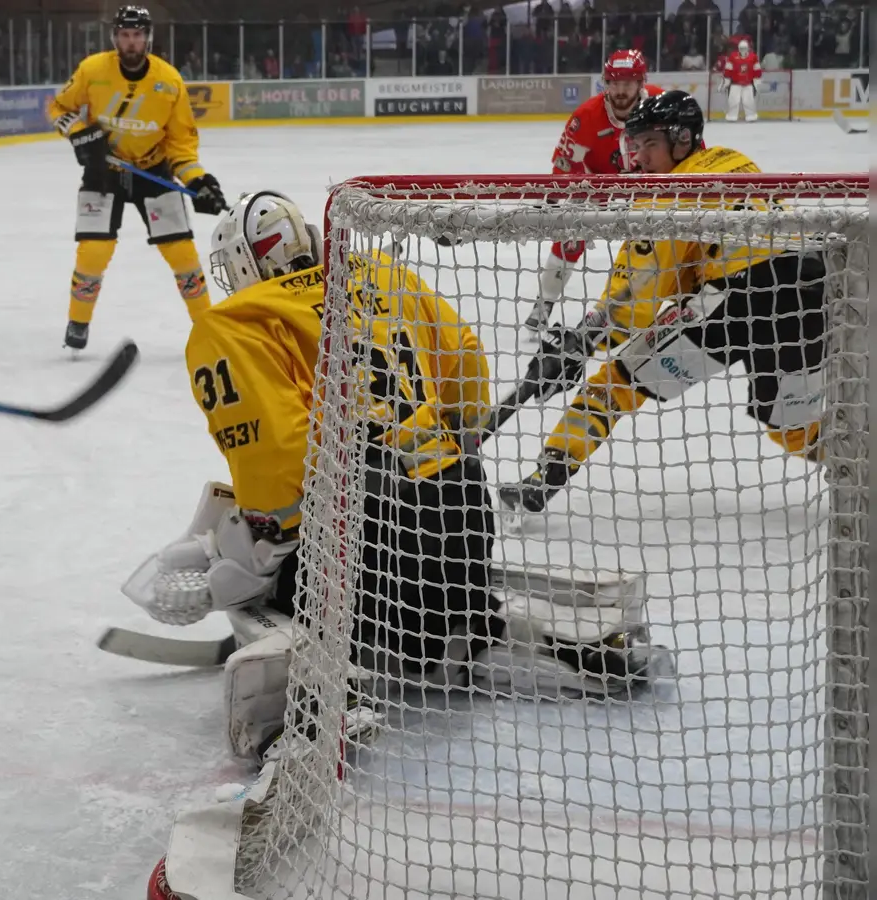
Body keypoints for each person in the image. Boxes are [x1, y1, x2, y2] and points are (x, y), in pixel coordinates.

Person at [122, 193, 667, 802]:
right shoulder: (382, 274)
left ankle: (319, 698)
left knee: (280, 582)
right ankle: (528, 641)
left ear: (250, 262)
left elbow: (278, 449)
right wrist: (450, 436)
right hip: (461, 499)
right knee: (441, 617)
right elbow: (463, 355)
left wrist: (262, 545)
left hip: (367, 521)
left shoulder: (236, 321)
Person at [499, 91, 823, 513]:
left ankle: (546, 476)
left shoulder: (669, 192)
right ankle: (858, 471)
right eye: (633, 144)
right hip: (808, 293)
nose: (638, 157)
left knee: (615, 382)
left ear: (682, 139)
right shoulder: (734, 158)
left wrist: (584, 339)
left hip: (735, 302)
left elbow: (638, 291)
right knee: (793, 431)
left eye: (649, 143)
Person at [46, 5, 227, 351]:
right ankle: (78, 322)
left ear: (148, 38)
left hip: (153, 170)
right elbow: (58, 108)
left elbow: (181, 144)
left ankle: (209, 327)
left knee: (182, 253)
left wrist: (198, 182)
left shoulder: (169, 81)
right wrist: (81, 134)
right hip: (103, 171)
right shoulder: (92, 70)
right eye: (125, 35)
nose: (131, 42)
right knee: (93, 252)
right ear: (115, 37)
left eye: (137, 35)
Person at [526, 49, 662, 333]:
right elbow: (564, 164)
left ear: (641, 83)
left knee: (668, 242)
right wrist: (557, 199)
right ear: (605, 83)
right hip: (596, 189)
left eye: (628, 83)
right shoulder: (586, 116)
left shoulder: (662, 105)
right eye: (614, 83)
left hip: (649, 189)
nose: (621, 90)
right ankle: (544, 303)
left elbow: (689, 156)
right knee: (569, 238)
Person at [720, 37, 763, 122]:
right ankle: (732, 115)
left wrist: (757, 81)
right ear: (738, 48)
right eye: (741, 48)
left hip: (748, 83)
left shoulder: (753, 57)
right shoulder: (733, 56)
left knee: (749, 101)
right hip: (735, 83)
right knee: (733, 100)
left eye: (744, 48)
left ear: (748, 48)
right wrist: (726, 81)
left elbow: (757, 70)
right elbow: (728, 69)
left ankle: (751, 115)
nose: (743, 50)